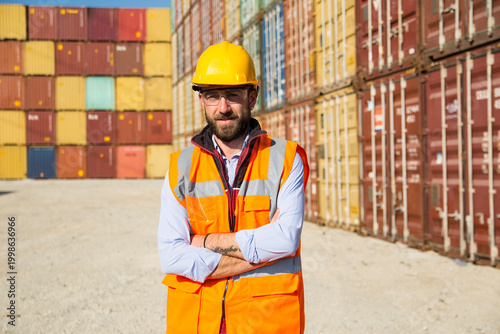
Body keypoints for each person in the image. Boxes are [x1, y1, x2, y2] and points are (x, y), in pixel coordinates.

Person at [158, 41, 309, 334]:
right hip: (197, 324)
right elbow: (171, 255)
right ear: (201, 100)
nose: (223, 108)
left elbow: (286, 240)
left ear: (252, 97)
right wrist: (262, 252)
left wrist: (204, 242)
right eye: (213, 96)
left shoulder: (286, 158)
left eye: (232, 95)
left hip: (266, 323)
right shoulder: (180, 167)